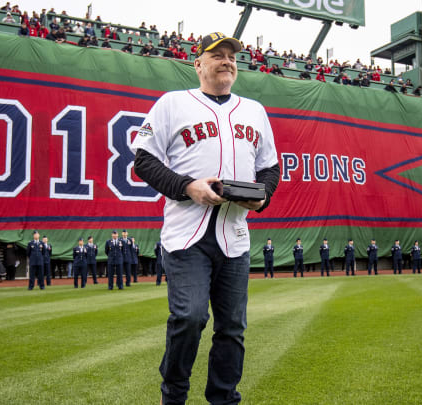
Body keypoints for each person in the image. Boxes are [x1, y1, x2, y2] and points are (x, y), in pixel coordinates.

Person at [130, 32, 280, 405]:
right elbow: (144, 160)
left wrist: (262, 196)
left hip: (234, 236)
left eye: (231, 56)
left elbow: (270, 168)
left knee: (231, 328)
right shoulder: (172, 104)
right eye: (217, 55)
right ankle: (174, 393)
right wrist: (187, 186)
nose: (227, 61)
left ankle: (224, 399)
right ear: (198, 64)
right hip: (187, 235)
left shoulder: (254, 110)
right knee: (191, 317)